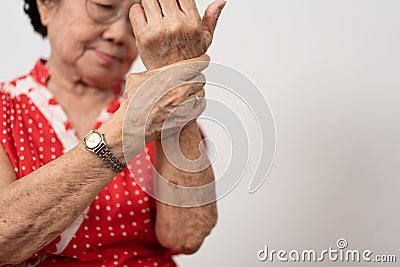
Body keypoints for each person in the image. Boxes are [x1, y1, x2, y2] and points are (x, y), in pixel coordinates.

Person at [0, 0, 226, 266]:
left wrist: (177, 75)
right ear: (47, 7)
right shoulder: (5, 107)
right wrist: (127, 129)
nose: (118, 35)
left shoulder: (163, 107)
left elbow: (185, 236)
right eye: (104, 6)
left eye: (136, 20)